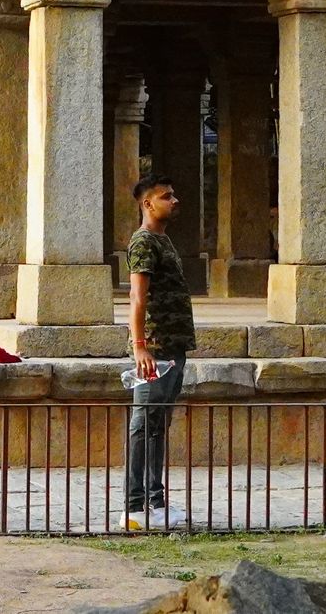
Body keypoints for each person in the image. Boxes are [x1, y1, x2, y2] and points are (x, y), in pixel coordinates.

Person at [124, 174, 196, 530]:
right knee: (143, 422)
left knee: (157, 425)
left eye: (173, 194)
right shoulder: (143, 242)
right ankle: (134, 504)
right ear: (148, 204)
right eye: (167, 196)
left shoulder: (164, 240)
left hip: (173, 346)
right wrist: (140, 347)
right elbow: (137, 298)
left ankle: (155, 501)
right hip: (154, 348)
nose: (175, 200)